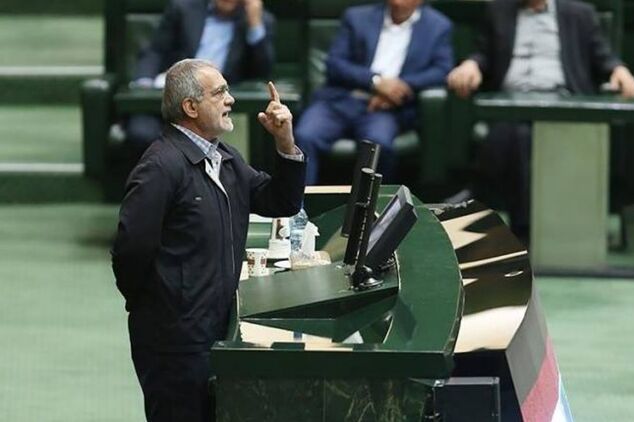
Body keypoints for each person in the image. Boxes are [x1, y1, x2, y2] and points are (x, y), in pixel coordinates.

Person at [111, 59, 305, 422]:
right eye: (219, 93)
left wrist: (285, 141)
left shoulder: (225, 158)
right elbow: (130, 250)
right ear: (190, 106)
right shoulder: (160, 166)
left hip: (218, 327)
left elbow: (281, 201)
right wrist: (162, 306)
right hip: (175, 340)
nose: (231, 99)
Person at [445, 0, 634, 241]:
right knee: (518, 134)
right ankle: (521, 229)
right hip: (511, 101)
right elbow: (483, 52)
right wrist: (471, 64)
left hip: (560, 104)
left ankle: (478, 195)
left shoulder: (579, 14)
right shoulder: (498, 10)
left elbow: (604, 56)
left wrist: (619, 70)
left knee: (515, 135)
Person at [294, 0, 454, 184]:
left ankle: (368, 203)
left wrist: (399, 87)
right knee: (305, 135)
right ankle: (299, 201)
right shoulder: (357, 17)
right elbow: (335, 64)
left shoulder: (438, 25)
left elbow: (442, 70)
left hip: (385, 109)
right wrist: (375, 82)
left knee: (378, 144)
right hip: (341, 100)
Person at [126, 0, 275, 152]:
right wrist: (144, 86)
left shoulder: (259, 21)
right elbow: (156, 51)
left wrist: (254, 25)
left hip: (215, 103)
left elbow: (262, 71)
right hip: (170, 90)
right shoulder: (183, 8)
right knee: (141, 131)